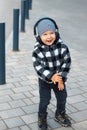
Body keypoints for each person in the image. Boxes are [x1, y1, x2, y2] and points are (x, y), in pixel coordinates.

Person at [32, 17, 71, 130]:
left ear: (56, 32)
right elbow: (38, 66)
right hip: (44, 80)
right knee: (45, 100)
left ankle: (60, 113)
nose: (49, 37)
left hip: (59, 79)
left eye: (51, 33)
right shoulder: (37, 49)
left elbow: (66, 62)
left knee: (62, 97)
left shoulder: (62, 46)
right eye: (44, 34)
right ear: (38, 36)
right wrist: (51, 76)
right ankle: (42, 117)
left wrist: (61, 79)